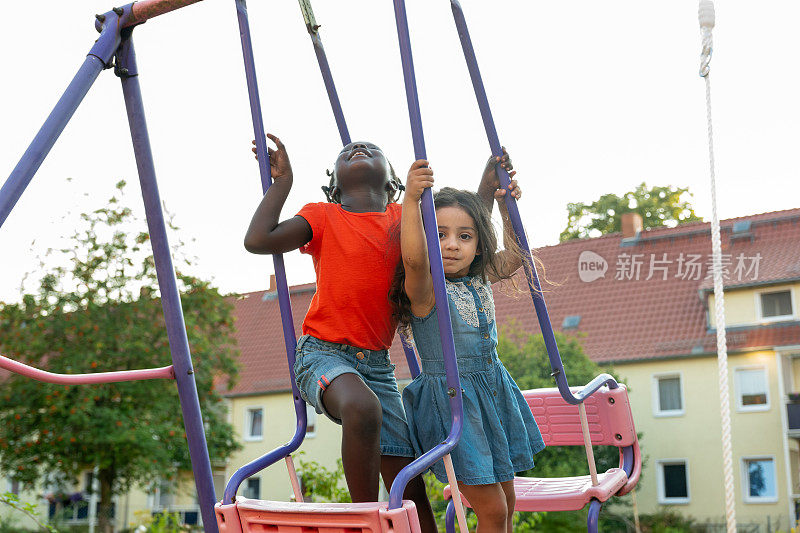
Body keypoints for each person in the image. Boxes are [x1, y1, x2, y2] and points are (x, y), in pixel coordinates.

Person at [244, 134, 445, 528]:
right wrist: (282, 183)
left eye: (374, 150)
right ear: (335, 186)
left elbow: (450, 242)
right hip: (323, 353)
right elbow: (258, 240)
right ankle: (362, 520)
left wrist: (480, 194)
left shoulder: (404, 222)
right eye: (346, 152)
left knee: (410, 483)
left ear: (392, 183)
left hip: (377, 367)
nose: (359, 148)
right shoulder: (323, 216)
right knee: (361, 407)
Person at [393, 160, 546, 533]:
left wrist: (506, 206)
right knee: (491, 510)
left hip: (490, 393)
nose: (451, 245)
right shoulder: (425, 291)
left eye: (464, 237)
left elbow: (513, 257)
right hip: (453, 403)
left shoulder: (479, 275)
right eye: (440, 234)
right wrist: (411, 201)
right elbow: (414, 260)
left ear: (478, 246)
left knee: (507, 504)